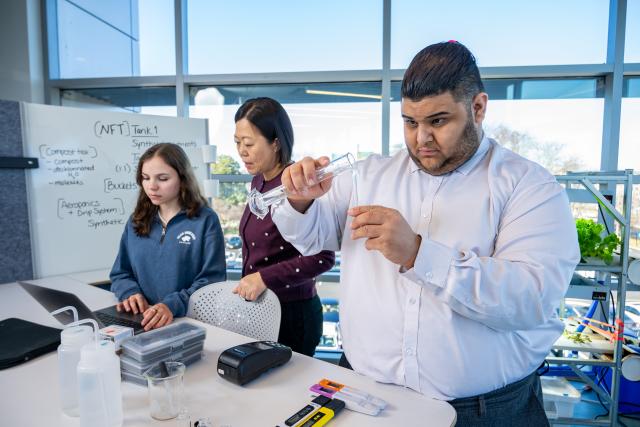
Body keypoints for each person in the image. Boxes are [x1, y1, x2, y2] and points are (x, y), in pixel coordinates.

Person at [271, 42, 580, 425]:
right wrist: (300, 202)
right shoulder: (370, 175)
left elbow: (530, 299)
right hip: (365, 396)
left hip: (484, 412)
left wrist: (419, 254)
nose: (421, 139)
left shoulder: (528, 186)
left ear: (478, 108)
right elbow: (313, 235)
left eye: (438, 121)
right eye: (410, 122)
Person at [232, 97, 335, 356]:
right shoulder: (258, 182)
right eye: (237, 143)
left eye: (249, 143)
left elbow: (322, 258)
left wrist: (263, 277)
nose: (241, 151)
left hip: (293, 313)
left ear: (275, 142)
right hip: (264, 308)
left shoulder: (298, 184)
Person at [110, 143, 226, 331]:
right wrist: (130, 293)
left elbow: (212, 281)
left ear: (183, 178)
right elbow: (121, 273)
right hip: (143, 322)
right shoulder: (136, 221)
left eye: (162, 179)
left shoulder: (205, 220)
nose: (152, 186)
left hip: (189, 323)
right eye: (145, 178)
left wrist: (171, 305)